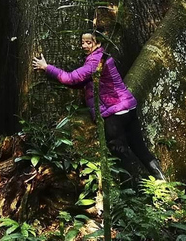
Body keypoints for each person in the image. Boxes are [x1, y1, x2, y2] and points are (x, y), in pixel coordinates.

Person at [32, 31, 166, 182]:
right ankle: (162, 183)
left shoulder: (95, 62)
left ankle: (130, 193)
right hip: (128, 107)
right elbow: (85, 82)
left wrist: (47, 67)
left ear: (98, 43)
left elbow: (71, 79)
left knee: (120, 154)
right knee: (140, 149)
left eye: (88, 42)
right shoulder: (101, 58)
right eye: (82, 42)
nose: (84, 46)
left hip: (114, 113)